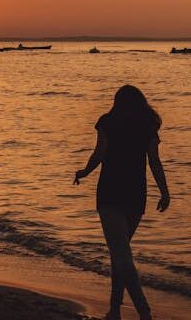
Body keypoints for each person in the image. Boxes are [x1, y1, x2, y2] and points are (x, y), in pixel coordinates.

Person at [73, 85, 170, 320]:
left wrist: (84, 172)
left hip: (110, 192)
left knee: (121, 254)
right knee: (120, 253)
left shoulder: (108, 122)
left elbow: (99, 153)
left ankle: (144, 312)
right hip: (136, 194)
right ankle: (114, 310)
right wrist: (165, 192)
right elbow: (154, 162)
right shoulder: (148, 125)